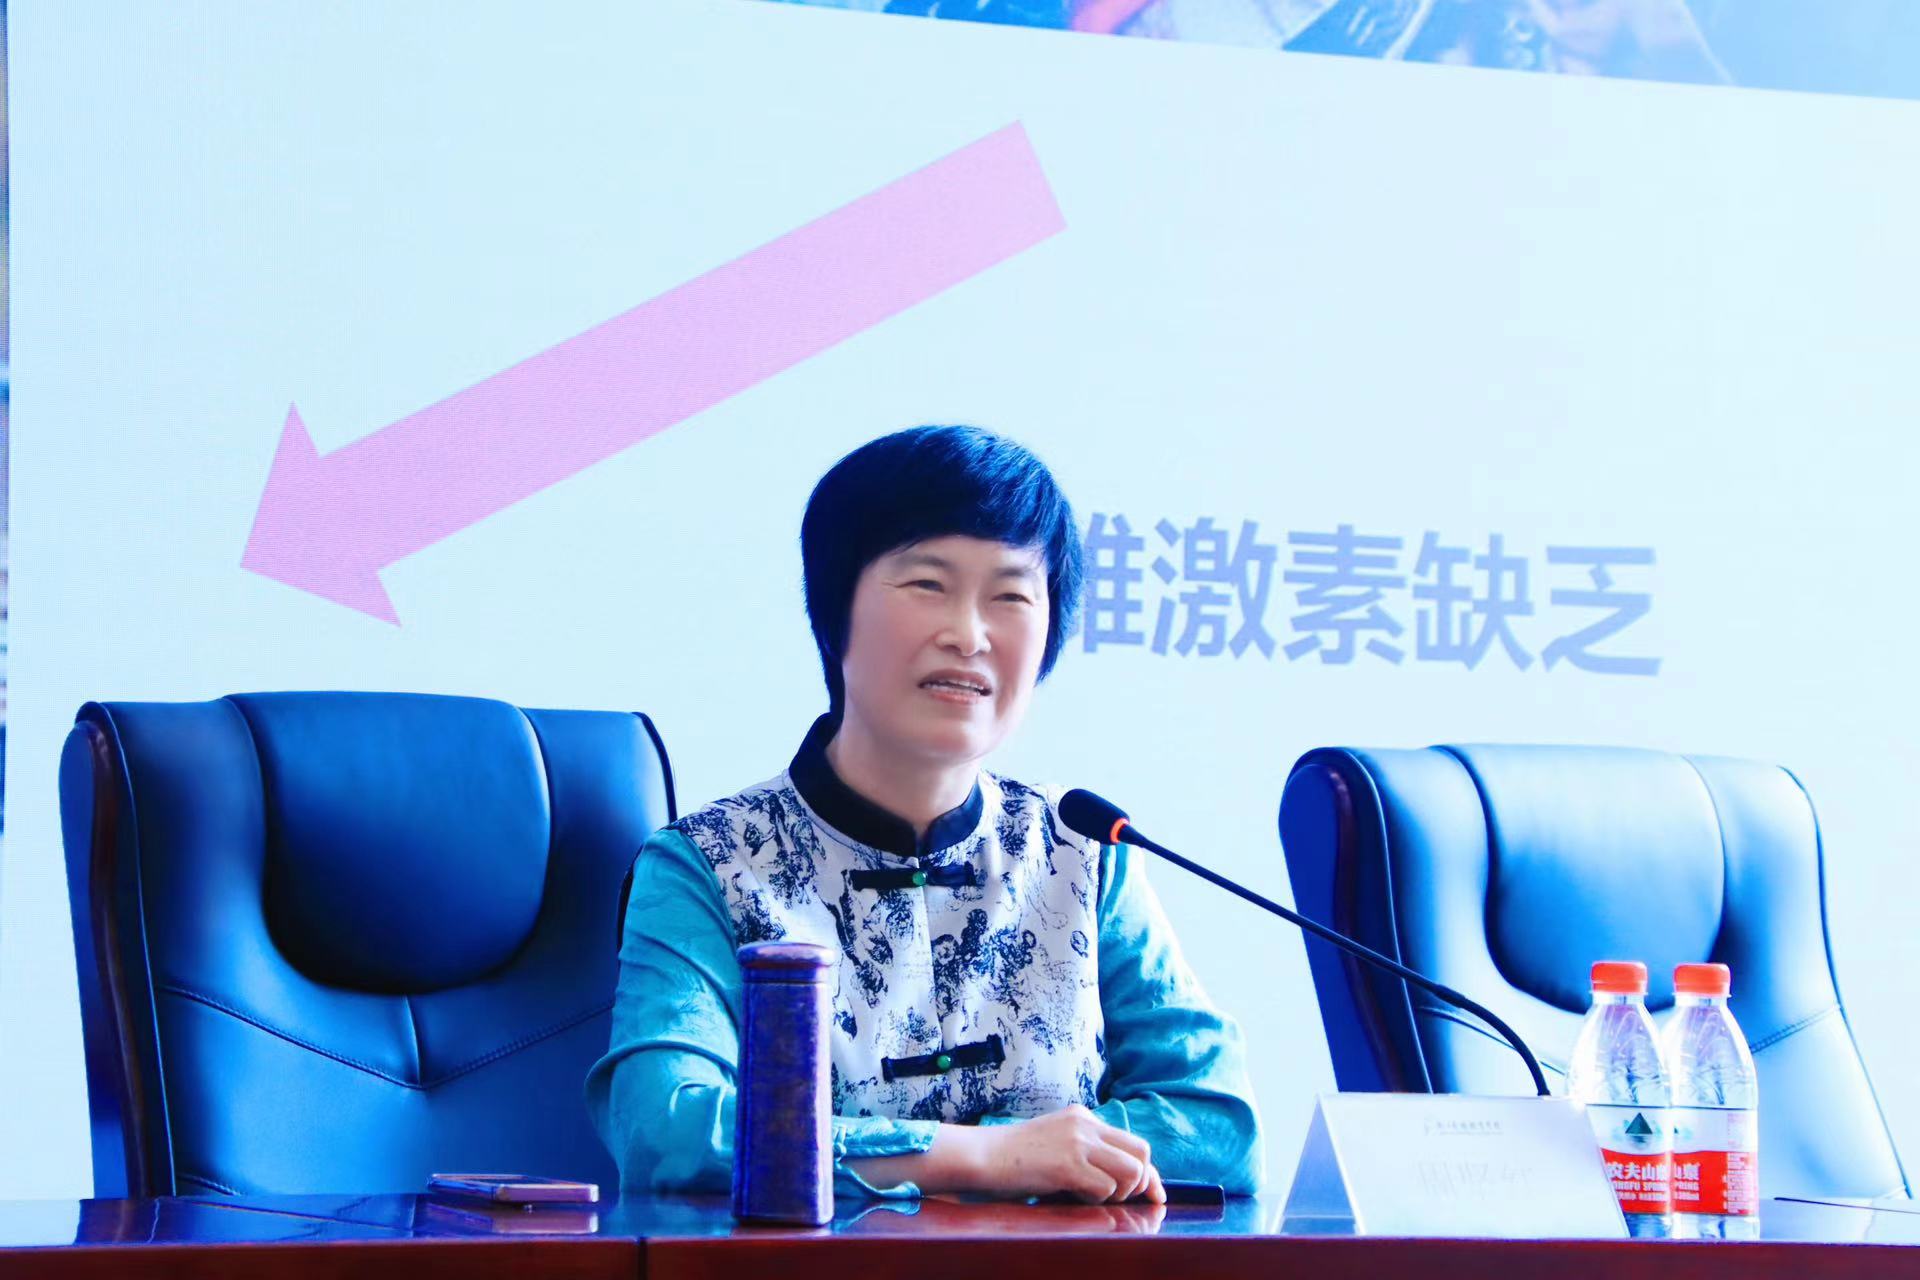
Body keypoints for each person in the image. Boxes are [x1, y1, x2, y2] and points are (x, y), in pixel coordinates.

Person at [586, 425, 1262, 1203]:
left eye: (1011, 596)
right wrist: (981, 1157)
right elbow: (668, 1131)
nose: (969, 636)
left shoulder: (1082, 852)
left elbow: (1220, 1129)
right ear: (834, 613)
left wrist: (1029, 1155)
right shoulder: (708, 865)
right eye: (927, 585)